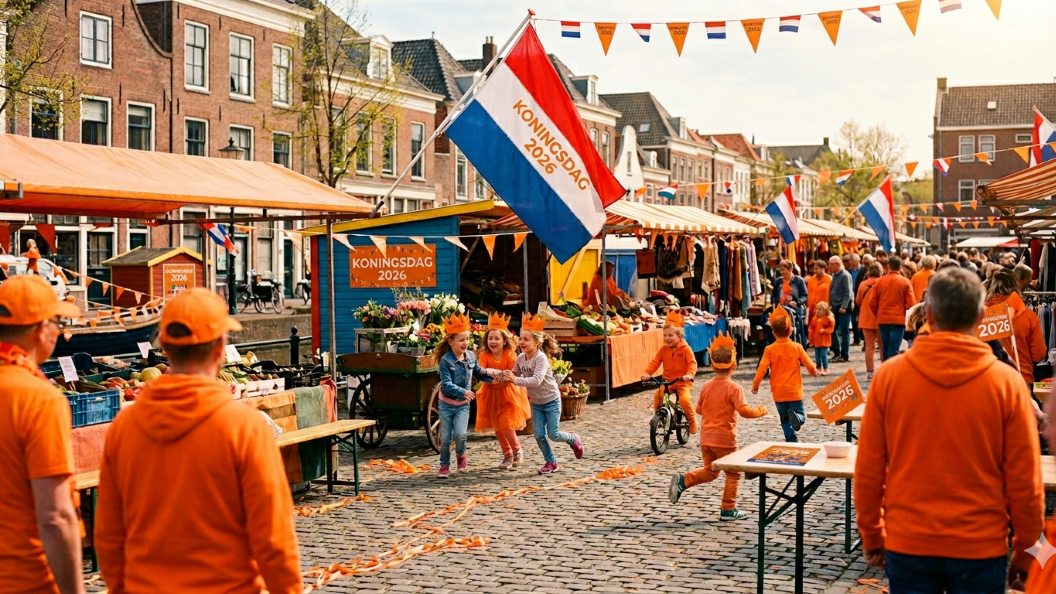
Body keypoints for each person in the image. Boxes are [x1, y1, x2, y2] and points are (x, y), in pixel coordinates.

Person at [95, 288, 302, 593]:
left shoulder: (124, 427)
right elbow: (273, 536)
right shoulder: (245, 427)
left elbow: (109, 534)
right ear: (220, 349)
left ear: (165, 347)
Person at [855, 268, 1043, 593]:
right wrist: (1027, 551)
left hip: (910, 540)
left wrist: (872, 534)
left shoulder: (889, 377)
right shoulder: (1007, 382)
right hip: (979, 544)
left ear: (927, 314)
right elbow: (1025, 478)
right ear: (981, 317)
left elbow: (869, 467)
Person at [0, 276, 83, 594]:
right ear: (40, 331)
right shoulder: (38, 398)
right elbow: (55, 517)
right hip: (24, 578)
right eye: (57, 323)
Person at [667, 333, 767, 518]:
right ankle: (728, 509)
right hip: (725, 440)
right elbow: (744, 411)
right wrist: (761, 410)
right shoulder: (734, 388)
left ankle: (684, 480)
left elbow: (699, 409)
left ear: (712, 366)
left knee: (711, 472)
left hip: (706, 439)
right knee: (733, 474)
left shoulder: (706, 385)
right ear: (734, 366)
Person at [506, 314, 583, 474]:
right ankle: (551, 462)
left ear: (537, 342)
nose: (522, 342)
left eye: (526, 339)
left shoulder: (540, 359)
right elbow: (514, 373)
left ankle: (573, 439)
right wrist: (503, 375)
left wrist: (515, 379)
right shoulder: (520, 358)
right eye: (521, 338)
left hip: (551, 401)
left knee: (553, 434)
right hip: (536, 403)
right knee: (539, 435)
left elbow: (536, 380)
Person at [432, 313, 499, 478]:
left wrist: (492, 377)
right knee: (445, 438)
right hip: (446, 404)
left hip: (463, 405)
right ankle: (444, 465)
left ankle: (461, 456)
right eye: (461, 340)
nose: (465, 343)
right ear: (451, 341)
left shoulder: (470, 356)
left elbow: (478, 371)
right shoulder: (446, 361)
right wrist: (463, 392)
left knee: (460, 434)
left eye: (467, 339)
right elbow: (446, 384)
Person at [752, 307, 817, 442]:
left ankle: (791, 440)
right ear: (791, 330)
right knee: (801, 414)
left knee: (784, 419)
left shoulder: (769, 349)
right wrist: (813, 371)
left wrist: (755, 385)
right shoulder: (797, 347)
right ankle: (798, 418)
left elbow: (762, 369)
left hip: (778, 392)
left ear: (773, 332)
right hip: (794, 390)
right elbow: (809, 364)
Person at [475, 313, 531, 470]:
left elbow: (514, 372)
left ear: (504, 340)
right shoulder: (484, 355)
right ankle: (507, 455)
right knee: (498, 427)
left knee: (506, 424)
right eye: (490, 338)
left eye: (496, 338)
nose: (493, 341)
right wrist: (490, 378)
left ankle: (517, 450)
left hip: (508, 393)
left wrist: (505, 377)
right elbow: (481, 371)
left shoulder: (509, 355)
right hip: (490, 394)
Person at [985, 269, 1047, 391]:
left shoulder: (979, 316)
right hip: (1021, 380)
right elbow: (1039, 354)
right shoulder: (1028, 315)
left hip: (989, 382)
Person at [641, 310, 699, 435]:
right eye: (665, 335)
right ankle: (660, 416)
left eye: (670, 335)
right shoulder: (663, 349)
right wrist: (647, 373)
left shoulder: (686, 349)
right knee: (658, 396)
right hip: (667, 381)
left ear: (679, 337)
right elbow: (655, 362)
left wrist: (689, 375)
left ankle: (692, 420)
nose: (667, 338)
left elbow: (692, 363)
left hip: (683, 382)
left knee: (684, 401)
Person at [866, 255, 916, 362]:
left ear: (888, 266)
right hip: (899, 320)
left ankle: (885, 368)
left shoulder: (879, 281)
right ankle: (891, 370)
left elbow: (872, 302)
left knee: (885, 346)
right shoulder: (905, 282)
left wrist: (879, 313)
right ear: (901, 267)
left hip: (883, 319)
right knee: (894, 347)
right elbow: (911, 304)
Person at [771, 259, 808, 347]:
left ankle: (799, 344)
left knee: (797, 325)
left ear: (790, 269)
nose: (781, 272)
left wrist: (797, 302)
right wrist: (775, 303)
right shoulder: (778, 281)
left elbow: (804, 295)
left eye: (783, 270)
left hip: (795, 308)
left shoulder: (799, 280)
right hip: (780, 308)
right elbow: (774, 296)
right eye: (780, 270)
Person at [856, 263, 883, 380]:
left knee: (869, 346)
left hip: (866, 318)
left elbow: (858, 301)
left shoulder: (863, 284)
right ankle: (883, 369)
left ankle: (870, 371)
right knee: (882, 346)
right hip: (880, 318)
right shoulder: (882, 282)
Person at [827, 256, 853, 363]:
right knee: (832, 329)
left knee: (844, 331)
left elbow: (848, 293)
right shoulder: (835, 275)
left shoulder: (845, 275)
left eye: (831, 264)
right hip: (834, 307)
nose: (829, 266)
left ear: (837, 265)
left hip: (843, 308)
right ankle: (837, 353)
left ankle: (844, 355)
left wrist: (843, 306)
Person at [809, 302, 835, 376]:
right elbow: (810, 330)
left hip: (825, 342)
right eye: (817, 309)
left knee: (823, 355)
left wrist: (825, 330)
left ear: (825, 311)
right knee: (817, 357)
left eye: (820, 309)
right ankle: (818, 368)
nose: (817, 311)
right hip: (816, 342)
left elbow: (831, 327)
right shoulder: (814, 319)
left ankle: (826, 369)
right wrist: (811, 341)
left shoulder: (827, 318)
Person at [806, 260, 831, 328]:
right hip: (812, 309)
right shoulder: (811, 280)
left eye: (816, 269)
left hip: (824, 309)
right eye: (814, 269)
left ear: (823, 269)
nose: (814, 271)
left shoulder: (829, 279)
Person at [845, 253, 862, 345]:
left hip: (861, 296)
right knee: (853, 318)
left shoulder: (863, 270)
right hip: (851, 296)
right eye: (850, 261)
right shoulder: (848, 271)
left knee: (861, 317)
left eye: (853, 261)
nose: (851, 263)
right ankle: (856, 338)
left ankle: (862, 337)